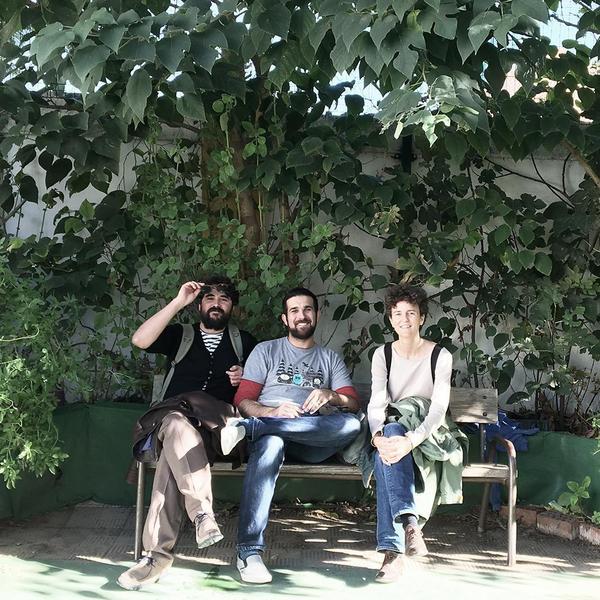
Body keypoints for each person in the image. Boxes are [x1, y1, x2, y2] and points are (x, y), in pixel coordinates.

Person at [117, 275, 257, 591]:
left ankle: (156, 558)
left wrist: (247, 376)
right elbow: (140, 340)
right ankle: (202, 515)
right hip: (173, 422)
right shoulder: (180, 335)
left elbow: (262, 385)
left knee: (172, 452)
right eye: (210, 298)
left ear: (232, 306)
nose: (216, 304)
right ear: (199, 305)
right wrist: (178, 302)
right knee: (176, 425)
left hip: (218, 434)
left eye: (224, 299)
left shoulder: (244, 342)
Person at [220, 287, 362, 584]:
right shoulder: (266, 351)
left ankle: (253, 428)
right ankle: (249, 553)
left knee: (351, 425)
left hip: (313, 436)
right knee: (271, 445)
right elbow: (243, 400)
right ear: (285, 319)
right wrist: (272, 413)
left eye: (307, 309)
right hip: (275, 427)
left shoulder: (329, 358)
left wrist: (331, 395)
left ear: (317, 315)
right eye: (294, 310)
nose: (302, 315)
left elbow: (352, 404)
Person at [368, 284, 457, 583]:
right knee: (389, 437)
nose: (404, 319)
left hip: (429, 434)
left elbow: (438, 409)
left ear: (422, 318)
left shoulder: (440, 355)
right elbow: (377, 403)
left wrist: (411, 440)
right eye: (397, 313)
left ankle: (392, 554)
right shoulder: (382, 354)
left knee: (386, 456)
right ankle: (410, 525)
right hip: (394, 430)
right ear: (390, 319)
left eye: (410, 313)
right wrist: (377, 437)